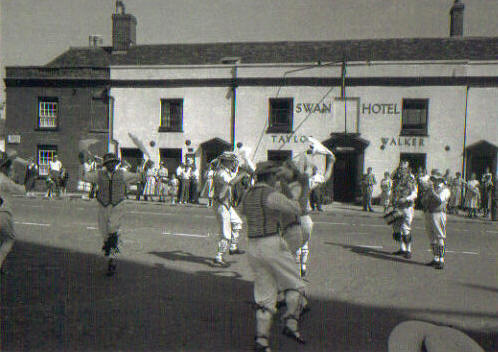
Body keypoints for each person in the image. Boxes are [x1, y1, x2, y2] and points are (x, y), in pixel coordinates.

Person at [240, 161, 308, 352]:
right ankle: (290, 322)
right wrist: (286, 186)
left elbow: (242, 211)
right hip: (272, 243)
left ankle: (262, 341)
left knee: (264, 296)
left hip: (253, 246)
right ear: (271, 177)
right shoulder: (271, 195)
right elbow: (296, 209)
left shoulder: (248, 194)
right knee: (296, 285)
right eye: (275, 176)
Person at [83, 152, 145, 276]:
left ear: (116, 164)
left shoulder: (123, 174)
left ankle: (112, 259)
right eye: (108, 163)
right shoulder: (99, 174)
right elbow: (85, 177)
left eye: (113, 162)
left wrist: (144, 168)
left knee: (113, 229)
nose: (111, 165)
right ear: (105, 164)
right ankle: (110, 259)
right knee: (105, 232)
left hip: (117, 205)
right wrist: (82, 163)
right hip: (103, 205)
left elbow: (139, 177)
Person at [212, 151, 244, 267]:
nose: (234, 164)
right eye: (232, 162)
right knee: (225, 233)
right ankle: (219, 257)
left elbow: (233, 178)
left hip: (226, 204)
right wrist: (243, 174)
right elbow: (231, 182)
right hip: (221, 204)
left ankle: (233, 247)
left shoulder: (226, 172)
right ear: (226, 162)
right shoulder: (221, 173)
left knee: (238, 223)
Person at [0, 151, 27, 271]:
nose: (10, 170)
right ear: (3, 167)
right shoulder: (5, 180)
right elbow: (21, 190)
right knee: (9, 238)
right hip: (3, 212)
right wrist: (31, 176)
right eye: (9, 167)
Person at [420, 170, 451, 270]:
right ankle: (435, 257)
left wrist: (431, 192)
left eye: (437, 179)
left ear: (441, 180)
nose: (435, 181)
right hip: (429, 212)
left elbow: (439, 200)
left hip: (438, 213)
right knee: (431, 236)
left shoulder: (445, 190)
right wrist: (425, 195)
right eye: (433, 179)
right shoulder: (431, 189)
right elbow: (423, 201)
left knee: (439, 236)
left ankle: (441, 259)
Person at [390, 161, 418, 259]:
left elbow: (415, 194)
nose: (401, 170)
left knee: (405, 228)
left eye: (404, 168)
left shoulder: (411, 179)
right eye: (400, 167)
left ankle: (408, 250)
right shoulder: (396, 179)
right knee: (396, 228)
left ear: (407, 169)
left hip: (407, 206)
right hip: (397, 206)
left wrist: (406, 199)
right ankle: (402, 248)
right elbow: (393, 188)